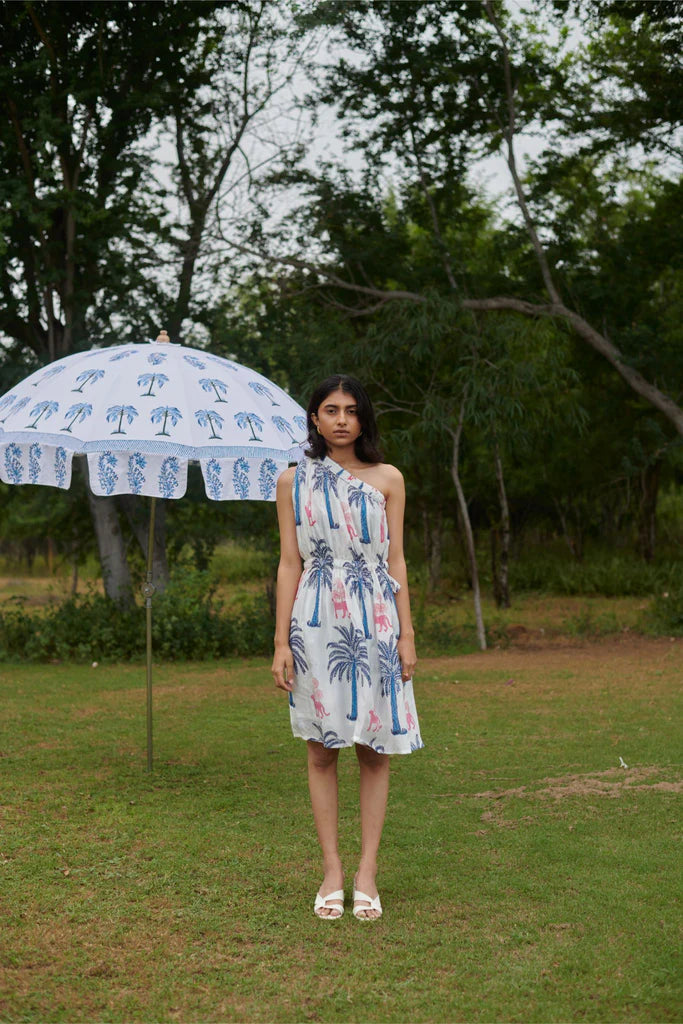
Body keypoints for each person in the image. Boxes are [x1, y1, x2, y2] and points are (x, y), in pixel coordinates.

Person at [271, 374, 423, 921]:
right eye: (330, 409)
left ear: (364, 419)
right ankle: (333, 869)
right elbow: (290, 562)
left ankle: (368, 872)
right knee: (320, 750)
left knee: (374, 749)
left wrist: (406, 633)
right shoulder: (293, 480)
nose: (341, 419)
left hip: (376, 617)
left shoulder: (388, 479)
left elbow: (397, 559)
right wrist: (280, 640)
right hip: (314, 622)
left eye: (351, 410)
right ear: (314, 418)